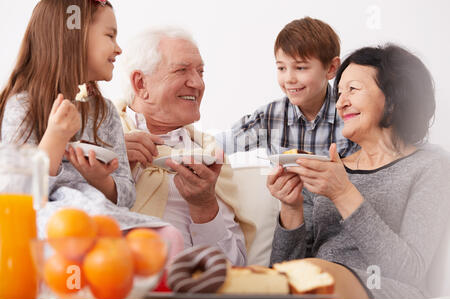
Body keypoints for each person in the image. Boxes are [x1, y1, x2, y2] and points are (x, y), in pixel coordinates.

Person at [0, 0, 184, 258]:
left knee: (169, 238)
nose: (119, 49)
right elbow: (17, 194)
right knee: (72, 241)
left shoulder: (104, 113)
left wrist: (99, 179)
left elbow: (126, 195)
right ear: (71, 37)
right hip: (48, 222)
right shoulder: (23, 106)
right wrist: (55, 136)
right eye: (109, 35)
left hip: (100, 216)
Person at [268, 43, 450, 299]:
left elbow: (411, 271)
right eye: (339, 94)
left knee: (316, 277)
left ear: (395, 99)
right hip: (315, 286)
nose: (341, 104)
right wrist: (290, 207)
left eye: (352, 90)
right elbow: (281, 273)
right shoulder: (326, 169)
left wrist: (343, 194)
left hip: (384, 290)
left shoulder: (429, 166)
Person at [116, 27, 255, 266]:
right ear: (140, 84)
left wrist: (204, 207)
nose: (198, 83)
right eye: (181, 70)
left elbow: (234, 269)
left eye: (201, 72)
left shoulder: (208, 156)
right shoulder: (97, 137)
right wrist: (114, 169)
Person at [217, 17, 358, 157]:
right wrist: (197, 144)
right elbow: (224, 143)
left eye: (301, 68)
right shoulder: (270, 116)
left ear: (331, 68)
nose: (289, 79)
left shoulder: (351, 115)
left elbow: (371, 168)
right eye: (282, 68)